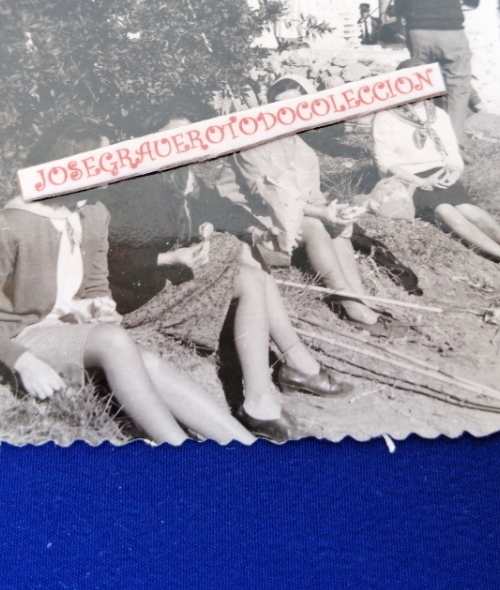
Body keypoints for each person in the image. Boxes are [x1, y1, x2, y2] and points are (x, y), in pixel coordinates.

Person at [0, 120, 255, 446]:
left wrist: (101, 305)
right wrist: (22, 362)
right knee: (114, 342)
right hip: (17, 335)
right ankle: (178, 450)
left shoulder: (94, 213)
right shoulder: (13, 224)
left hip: (61, 326)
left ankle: (245, 448)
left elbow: (97, 282)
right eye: (102, 160)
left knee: (147, 362)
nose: (113, 169)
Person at [104, 101, 348, 441]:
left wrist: (260, 232)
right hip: (138, 299)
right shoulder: (135, 188)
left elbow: (222, 209)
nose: (179, 147)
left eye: (188, 139)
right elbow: (110, 259)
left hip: (162, 281)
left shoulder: (180, 178)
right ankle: (283, 379)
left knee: (245, 257)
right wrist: (168, 260)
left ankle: (277, 382)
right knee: (243, 264)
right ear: (149, 142)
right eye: (169, 139)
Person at [220, 76, 402, 336]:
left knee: (333, 227)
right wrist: (320, 213)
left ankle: (361, 300)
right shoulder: (252, 142)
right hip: (243, 219)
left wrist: (336, 213)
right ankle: (351, 307)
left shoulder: (305, 153)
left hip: (280, 217)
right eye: (279, 106)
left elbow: (312, 200)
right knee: (315, 226)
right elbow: (271, 196)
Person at [372, 60, 500, 274]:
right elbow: (384, 161)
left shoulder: (438, 115)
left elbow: (452, 153)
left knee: (468, 209)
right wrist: (420, 181)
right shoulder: (386, 116)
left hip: (440, 174)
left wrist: (454, 171)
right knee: (446, 210)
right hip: (408, 179)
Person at [389, 0, 480, 139]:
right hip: (452, 35)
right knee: (458, 86)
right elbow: (474, 1)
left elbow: (399, 9)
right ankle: (453, 141)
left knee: (422, 85)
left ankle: (424, 134)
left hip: (419, 34)